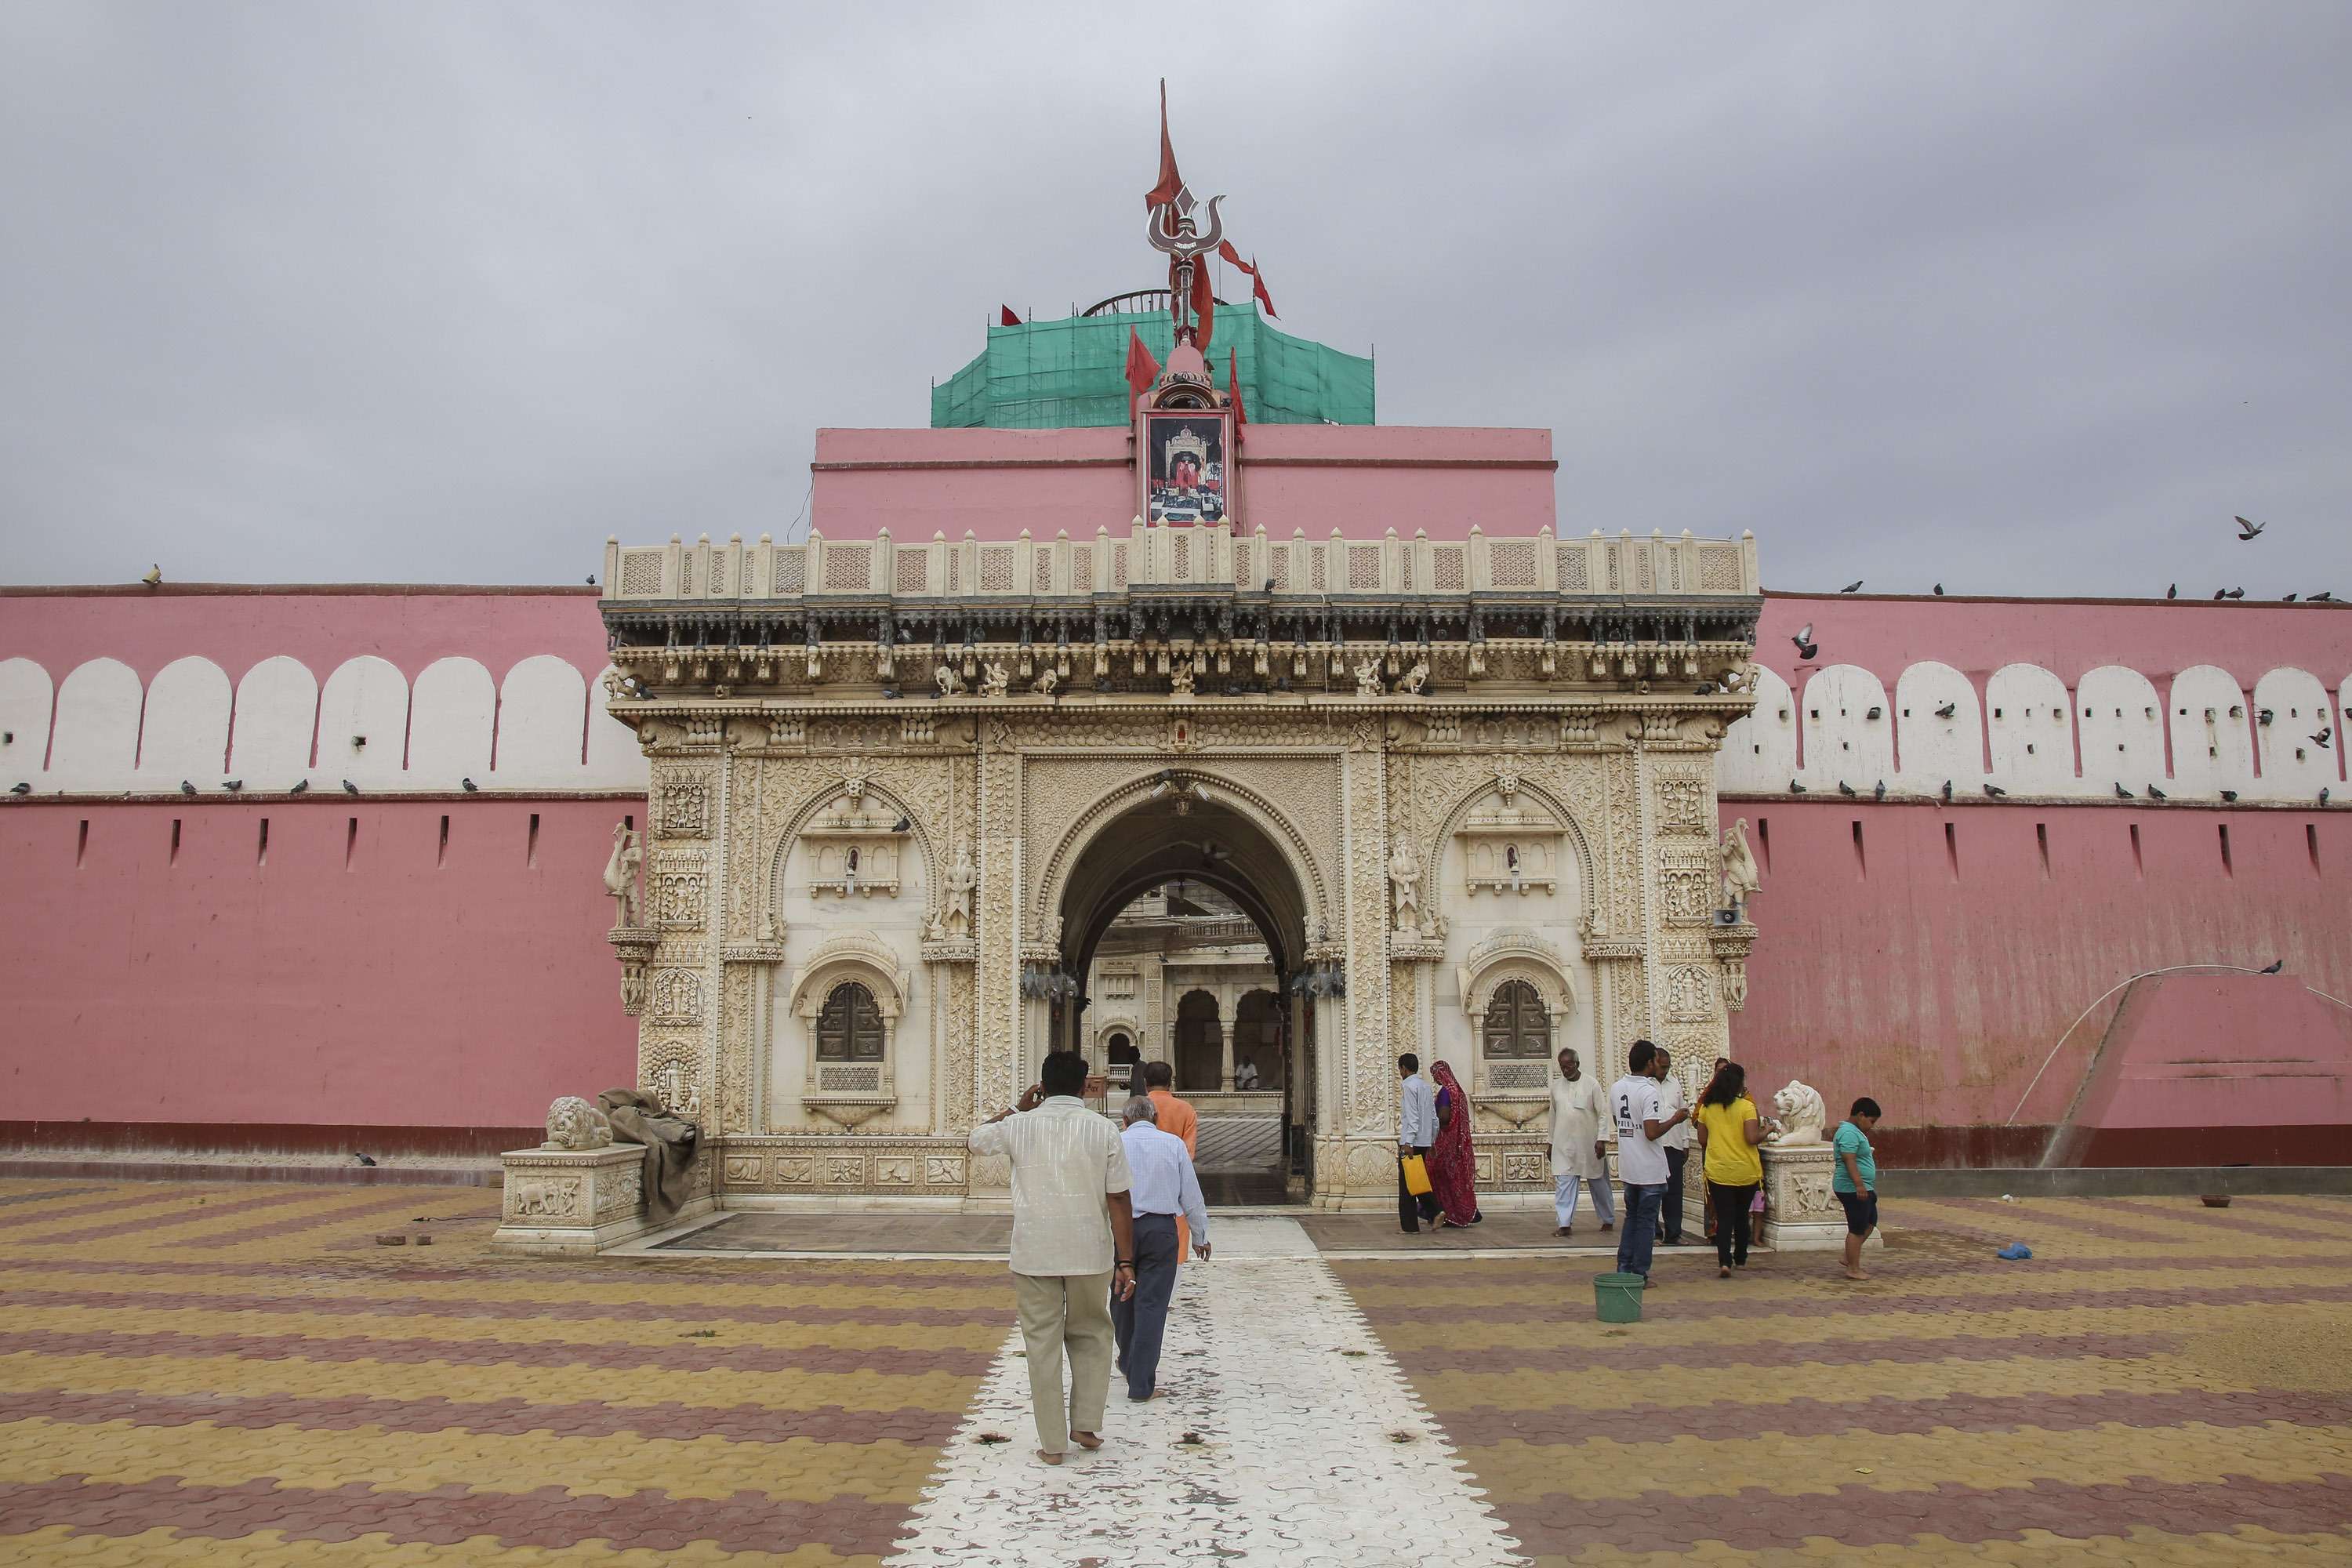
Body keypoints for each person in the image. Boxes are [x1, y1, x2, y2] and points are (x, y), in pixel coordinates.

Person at [968, 1051, 1137, 1465]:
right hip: (1089, 1252)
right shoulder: (1103, 1129)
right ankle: (1086, 1424)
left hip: (1035, 1252)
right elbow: (1118, 1197)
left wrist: (1016, 1108)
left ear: (1042, 1087)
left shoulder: (1018, 1126)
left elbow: (975, 1140)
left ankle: (1053, 1443)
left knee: (1042, 1344)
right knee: (1093, 1334)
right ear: (1084, 1087)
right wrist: (1126, 1261)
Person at [1112, 1096, 1210, 1402]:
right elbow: (1191, 1195)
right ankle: (1141, 1382)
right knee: (1152, 1306)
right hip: (1160, 1230)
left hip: (1120, 1231)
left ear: (1124, 1121)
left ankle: (1128, 1359)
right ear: (1155, 1119)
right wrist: (1200, 1235)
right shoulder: (1173, 1145)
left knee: (1121, 1300)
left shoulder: (1115, 1143)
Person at [1610, 1040, 1685, 1284]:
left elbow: (1618, 1121)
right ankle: (1639, 1272)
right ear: (1649, 1063)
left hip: (1629, 1166)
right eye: (1655, 1060)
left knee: (1632, 1218)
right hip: (1649, 1169)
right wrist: (1675, 1119)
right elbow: (1651, 1132)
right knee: (1645, 1223)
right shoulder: (1648, 1091)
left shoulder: (1617, 1088)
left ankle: (1624, 1267)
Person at [1693, 1062, 1767, 1277]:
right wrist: (1767, 1130)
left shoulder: (1707, 1108)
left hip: (1718, 1170)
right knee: (1742, 1216)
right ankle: (1740, 1258)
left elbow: (1702, 1140)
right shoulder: (1747, 1107)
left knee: (1724, 1218)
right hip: (1745, 1170)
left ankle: (1724, 1262)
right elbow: (1751, 1138)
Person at [1548, 1047, 1614, 1238]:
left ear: (1576, 1064)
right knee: (1564, 1183)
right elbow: (1553, 1117)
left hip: (1589, 1144)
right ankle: (1564, 1224)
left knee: (1599, 1182)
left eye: (1568, 1066)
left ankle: (1608, 1219)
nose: (1565, 1070)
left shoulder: (1592, 1084)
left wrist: (1602, 1140)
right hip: (1564, 1145)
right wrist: (1550, 1143)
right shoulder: (1556, 1087)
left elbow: (1603, 1114)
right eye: (1562, 1067)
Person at [1140, 1061, 1200, 1263]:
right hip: (1173, 1194)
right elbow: (1188, 1156)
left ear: (1146, 1083)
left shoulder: (1137, 1108)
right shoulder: (1186, 1110)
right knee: (1173, 1264)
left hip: (1141, 1192)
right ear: (1170, 1082)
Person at [1426, 1060, 1482, 1228]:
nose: (1434, 1079)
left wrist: (1431, 1118)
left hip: (1446, 1141)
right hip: (1457, 1142)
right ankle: (1461, 1211)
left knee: (1438, 1174)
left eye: (1435, 1075)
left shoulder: (1445, 1092)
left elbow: (1444, 1116)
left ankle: (1448, 1212)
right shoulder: (1457, 1090)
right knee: (1455, 1177)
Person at [1834, 1097, 1882, 1281]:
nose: (1872, 1126)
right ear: (1861, 1115)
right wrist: (1859, 1185)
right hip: (1851, 1188)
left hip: (1862, 1187)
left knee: (1870, 1222)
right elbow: (1849, 1159)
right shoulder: (1848, 1133)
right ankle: (1853, 1268)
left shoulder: (1854, 1132)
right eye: (1871, 1121)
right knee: (1857, 1228)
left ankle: (1849, 1256)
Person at [1396, 1052, 1441, 1233]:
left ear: (1404, 1068)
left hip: (1411, 1142)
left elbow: (1412, 1117)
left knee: (1406, 1186)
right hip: (1423, 1141)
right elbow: (1433, 1117)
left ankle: (1410, 1226)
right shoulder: (1425, 1086)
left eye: (1400, 1069)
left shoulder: (1408, 1086)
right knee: (1416, 1179)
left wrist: (1408, 1142)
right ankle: (1435, 1211)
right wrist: (1432, 1140)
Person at [1653, 1047, 1693, 1246]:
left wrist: (1685, 1142)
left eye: (1668, 1067)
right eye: (1662, 1067)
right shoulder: (1645, 1085)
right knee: (1653, 1191)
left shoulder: (1674, 1083)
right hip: (1654, 1145)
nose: (1665, 1071)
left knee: (1674, 1192)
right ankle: (1654, 1233)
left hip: (1674, 1144)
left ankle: (1674, 1233)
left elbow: (1682, 1112)